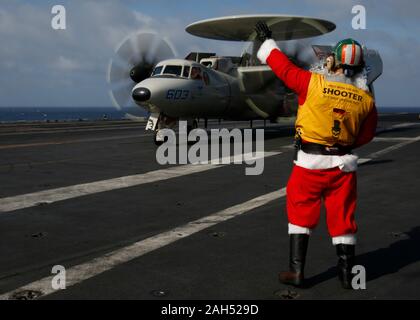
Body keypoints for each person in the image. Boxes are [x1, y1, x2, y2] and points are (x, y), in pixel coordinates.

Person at [255, 22, 378, 289]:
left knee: (300, 212)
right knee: (343, 217)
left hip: (309, 164)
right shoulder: (366, 99)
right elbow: (367, 135)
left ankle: (297, 272)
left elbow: (283, 68)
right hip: (343, 167)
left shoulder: (311, 82)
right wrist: (343, 142)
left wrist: (267, 42)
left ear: (331, 61)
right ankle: (347, 275)